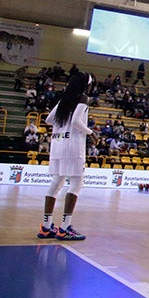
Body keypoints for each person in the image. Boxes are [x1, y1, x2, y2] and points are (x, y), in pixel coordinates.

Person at [37, 72, 95, 241]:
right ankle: (65, 227)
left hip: (57, 145)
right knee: (76, 185)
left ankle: (46, 226)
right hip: (73, 146)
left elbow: (48, 120)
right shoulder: (83, 98)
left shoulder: (64, 99)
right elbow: (77, 121)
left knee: (56, 183)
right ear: (86, 85)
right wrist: (91, 133)